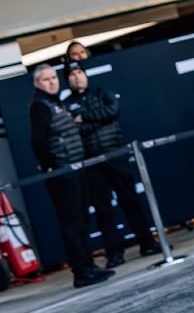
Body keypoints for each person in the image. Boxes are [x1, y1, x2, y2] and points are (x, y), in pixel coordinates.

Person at [64, 63, 160, 267]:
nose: (77, 77)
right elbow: (72, 128)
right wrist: (98, 119)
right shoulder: (67, 104)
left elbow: (113, 111)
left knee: (131, 201)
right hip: (91, 161)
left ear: (85, 75)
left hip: (115, 154)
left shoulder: (101, 92)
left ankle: (147, 243)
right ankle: (114, 253)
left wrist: (85, 117)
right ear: (68, 80)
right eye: (72, 74)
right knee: (103, 210)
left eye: (80, 72)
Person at [27, 63, 113, 288]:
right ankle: (82, 271)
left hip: (76, 167)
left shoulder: (56, 103)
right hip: (63, 172)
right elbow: (38, 139)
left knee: (81, 219)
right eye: (46, 79)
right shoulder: (40, 106)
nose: (52, 82)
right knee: (72, 222)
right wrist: (50, 165)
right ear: (37, 83)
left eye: (54, 78)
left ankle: (89, 266)